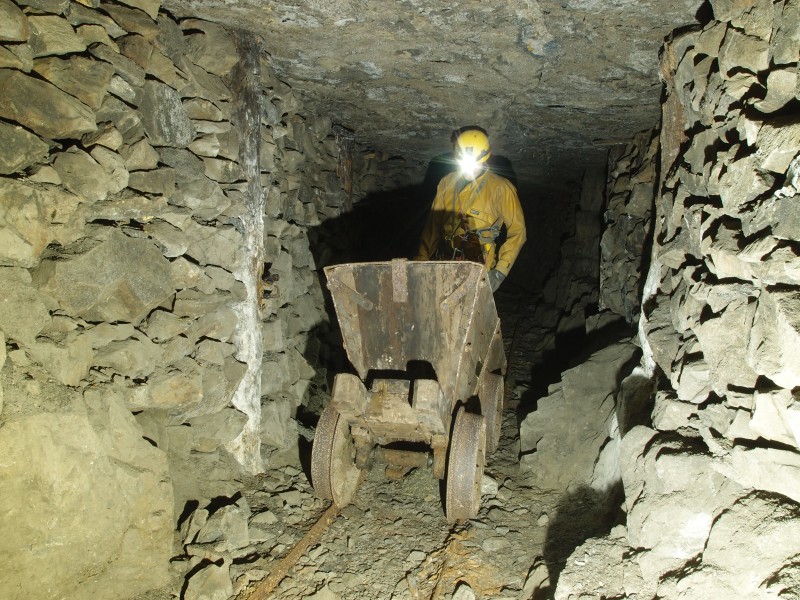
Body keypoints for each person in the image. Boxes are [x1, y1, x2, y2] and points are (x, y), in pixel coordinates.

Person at [415, 127, 526, 292]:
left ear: (485, 157)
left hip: (479, 266)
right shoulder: (446, 183)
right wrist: (421, 260)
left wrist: (500, 272)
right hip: (444, 261)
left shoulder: (501, 188)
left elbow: (518, 232)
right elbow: (433, 226)